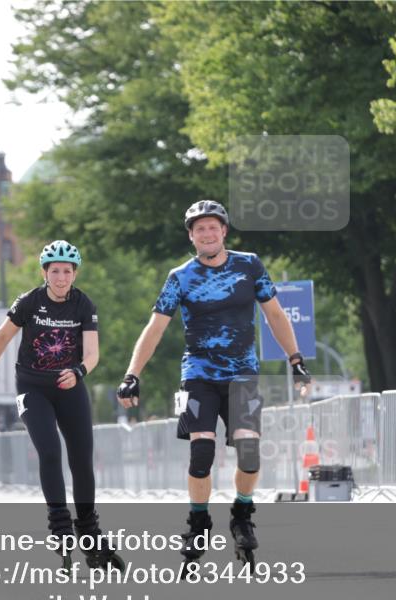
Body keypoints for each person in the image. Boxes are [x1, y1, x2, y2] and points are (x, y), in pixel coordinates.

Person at [116, 200, 311, 567]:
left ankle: (241, 514)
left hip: (242, 374)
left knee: (250, 454)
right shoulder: (180, 277)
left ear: (224, 231)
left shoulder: (249, 265)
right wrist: (132, 374)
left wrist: (296, 359)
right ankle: (199, 520)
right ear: (191, 236)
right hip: (199, 376)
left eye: (213, 227)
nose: (207, 234)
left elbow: (274, 314)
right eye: (199, 229)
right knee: (201, 453)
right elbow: (155, 327)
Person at [0, 240, 124, 572]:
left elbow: (92, 353)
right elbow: (0, 337)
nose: (60, 277)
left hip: (69, 386)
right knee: (50, 451)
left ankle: (88, 528)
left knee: (82, 458)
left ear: (74, 274)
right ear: (45, 272)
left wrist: (79, 371)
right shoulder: (29, 302)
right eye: (54, 271)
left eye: (67, 271)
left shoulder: (84, 305)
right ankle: (59, 526)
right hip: (32, 388)